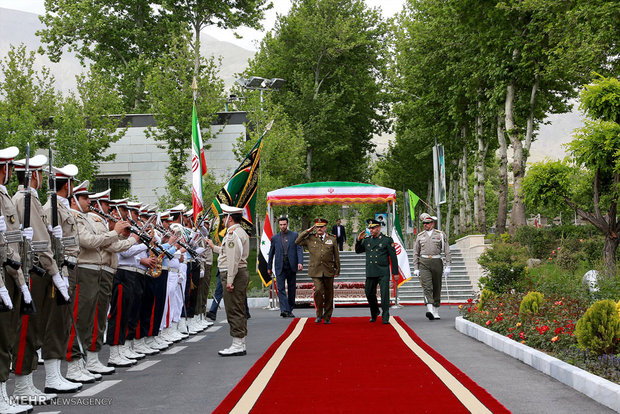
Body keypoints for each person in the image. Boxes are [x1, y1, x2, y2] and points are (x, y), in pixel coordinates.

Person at [206, 204, 249, 356]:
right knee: (238, 308)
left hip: (234, 274)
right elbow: (227, 253)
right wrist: (213, 247)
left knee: (234, 309)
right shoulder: (238, 232)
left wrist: (230, 280)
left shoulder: (232, 234)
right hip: (238, 273)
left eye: (224, 217)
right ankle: (240, 342)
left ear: (230, 218)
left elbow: (233, 260)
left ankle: (237, 343)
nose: (223, 220)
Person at [295, 218, 340, 324]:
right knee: (318, 291)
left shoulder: (332, 239)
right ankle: (319, 314)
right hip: (315, 270)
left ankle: (327, 316)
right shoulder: (310, 238)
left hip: (328, 270)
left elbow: (336, 255)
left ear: (325, 228)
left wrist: (337, 269)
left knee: (329, 294)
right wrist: (307, 231)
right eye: (317, 227)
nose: (319, 229)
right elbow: (297, 241)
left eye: (321, 227)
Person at [355, 219, 399, 324]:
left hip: (383, 270)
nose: (371, 230)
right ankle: (374, 311)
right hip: (371, 271)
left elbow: (393, 257)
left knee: (384, 294)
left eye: (373, 228)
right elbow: (358, 250)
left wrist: (395, 272)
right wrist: (358, 240)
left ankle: (385, 316)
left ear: (379, 228)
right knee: (369, 293)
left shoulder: (387, 240)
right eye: (370, 228)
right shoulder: (367, 240)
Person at [413, 213, 451, 320]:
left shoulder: (440, 234)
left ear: (432, 224)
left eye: (428, 223)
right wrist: (416, 267)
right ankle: (429, 309)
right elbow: (416, 252)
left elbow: (447, 250)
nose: (426, 225)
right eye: (424, 223)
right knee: (427, 286)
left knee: (436, 286)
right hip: (424, 262)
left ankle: (436, 310)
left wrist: (448, 265)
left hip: (436, 261)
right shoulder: (420, 236)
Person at [268, 217, 303, 318]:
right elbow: (271, 253)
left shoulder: (295, 235)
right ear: (279, 225)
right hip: (280, 266)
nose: (283, 226)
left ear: (287, 224)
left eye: (284, 224)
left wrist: (300, 262)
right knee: (281, 288)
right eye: (281, 225)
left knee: (292, 289)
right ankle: (284, 309)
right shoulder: (275, 238)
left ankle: (290, 309)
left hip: (291, 265)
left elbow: (299, 250)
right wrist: (269, 267)